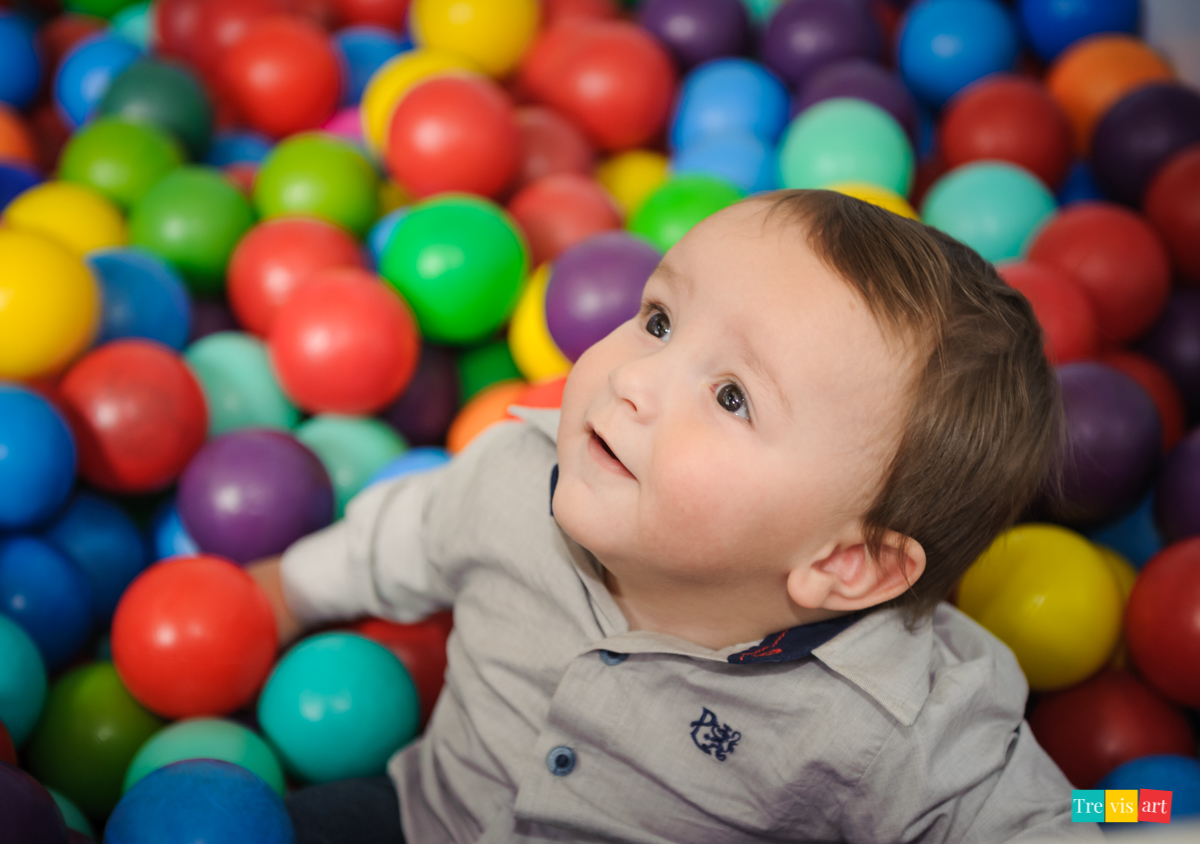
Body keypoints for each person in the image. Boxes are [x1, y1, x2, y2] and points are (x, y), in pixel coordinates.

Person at [249, 189, 1104, 844]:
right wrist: (283, 593)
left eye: (732, 396)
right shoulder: (515, 479)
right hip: (415, 822)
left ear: (848, 564)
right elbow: (401, 536)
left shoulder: (896, 721)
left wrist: (1135, 802)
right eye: (659, 320)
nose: (633, 378)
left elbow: (1039, 818)